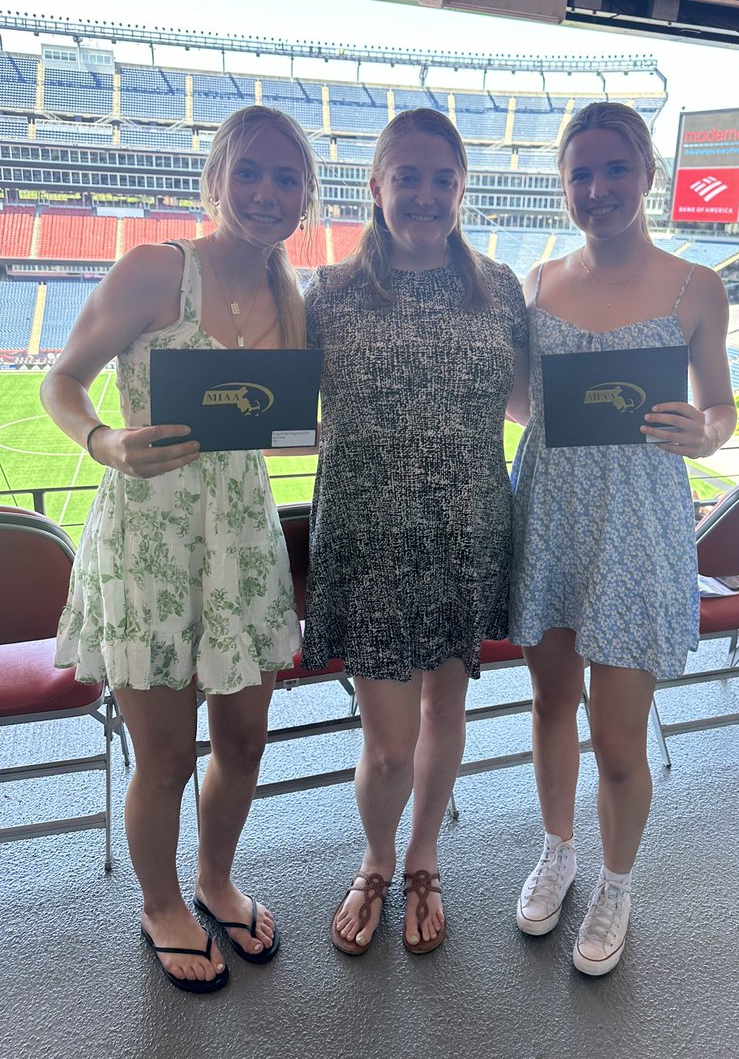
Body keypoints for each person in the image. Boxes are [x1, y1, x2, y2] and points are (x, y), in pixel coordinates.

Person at [40, 105, 318, 994]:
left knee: (243, 740)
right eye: (249, 172)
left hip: (241, 535)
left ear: (306, 195)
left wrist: (312, 434)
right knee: (162, 754)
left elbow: (281, 427)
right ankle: (162, 902)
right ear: (216, 178)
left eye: (285, 178)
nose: (266, 193)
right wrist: (103, 442)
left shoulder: (290, 298)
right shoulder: (156, 271)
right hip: (149, 538)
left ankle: (214, 879)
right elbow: (62, 381)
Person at [506, 102, 736, 976]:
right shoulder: (536, 283)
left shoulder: (693, 286)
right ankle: (558, 849)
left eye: (613, 171)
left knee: (621, 737)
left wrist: (703, 432)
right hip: (555, 509)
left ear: (646, 173)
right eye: (580, 175)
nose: (596, 189)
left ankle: (616, 880)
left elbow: (720, 408)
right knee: (549, 703)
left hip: (639, 520)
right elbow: (524, 403)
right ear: (564, 183)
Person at [302, 108, 528, 957]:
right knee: (389, 743)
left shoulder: (500, 288)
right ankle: (376, 857)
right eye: (409, 178)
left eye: (443, 179)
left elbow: (530, 405)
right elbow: (276, 412)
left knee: (445, 705)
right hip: (371, 538)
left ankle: (424, 859)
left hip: (469, 527)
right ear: (376, 187)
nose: (426, 195)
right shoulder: (327, 293)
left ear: (463, 188)